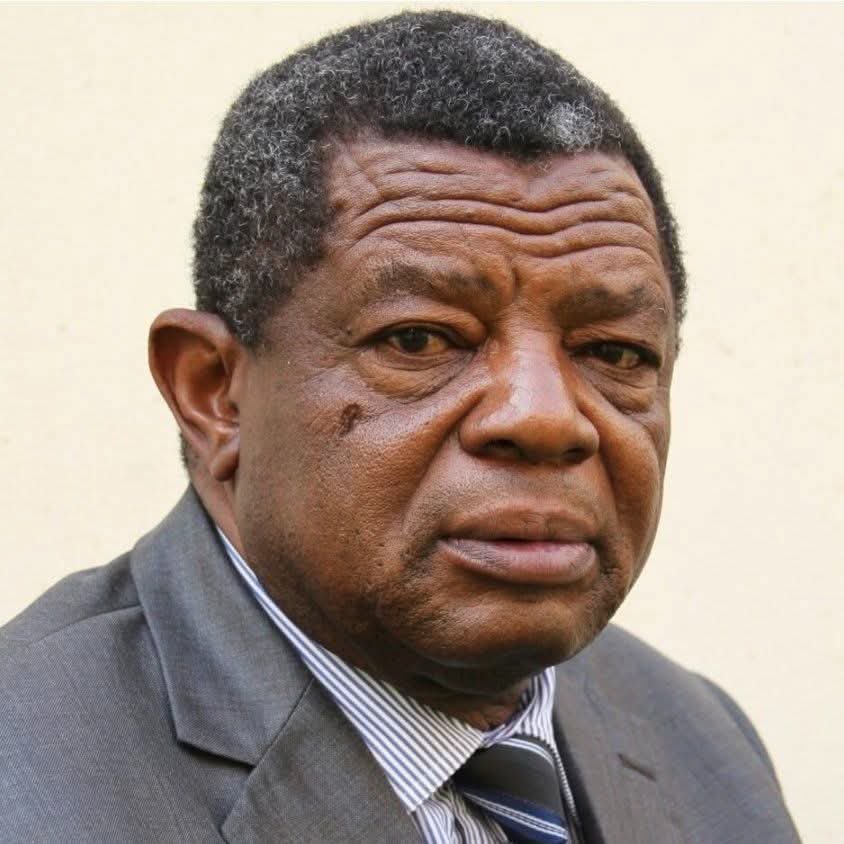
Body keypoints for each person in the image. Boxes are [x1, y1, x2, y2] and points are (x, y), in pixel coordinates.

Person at [0, 11, 800, 843]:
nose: (545, 417)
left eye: (614, 352)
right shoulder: (28, 785)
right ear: (214, 394)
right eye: (420, 340)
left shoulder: (704, 745)